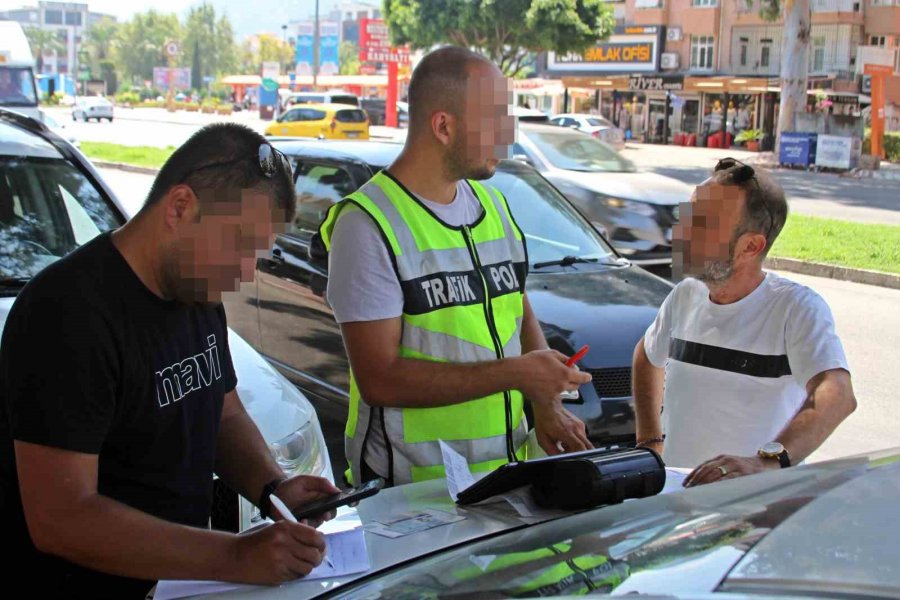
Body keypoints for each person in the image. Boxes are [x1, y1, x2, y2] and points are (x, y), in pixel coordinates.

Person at [0, 123, 341, 598]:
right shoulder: (66, 313)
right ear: (180, 207)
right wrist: (234, 555)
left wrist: (272, 488)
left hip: (174, 585)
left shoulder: (197, 291)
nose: (245, 274)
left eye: (257, 256)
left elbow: (223, 410)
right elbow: (62, 517)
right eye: (239, 246)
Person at [317, 46, 593, 487]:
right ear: (443, 126)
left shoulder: (494, 206)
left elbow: (516, 309)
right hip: (413, 497)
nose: (507, 138)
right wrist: (519, 374)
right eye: (495, 120)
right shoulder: (367, 225)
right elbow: (380, 380)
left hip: (505, 479)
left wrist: (544, 402)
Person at [631, 158, 856, 486]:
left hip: (754, 509)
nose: (683, 231)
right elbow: (646, 356)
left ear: (751, 246)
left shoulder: (796, 308)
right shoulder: (685, 296)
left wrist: (766, 462)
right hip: (677, 503)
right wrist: (650, 443)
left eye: (703, 223)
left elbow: (837, 396)